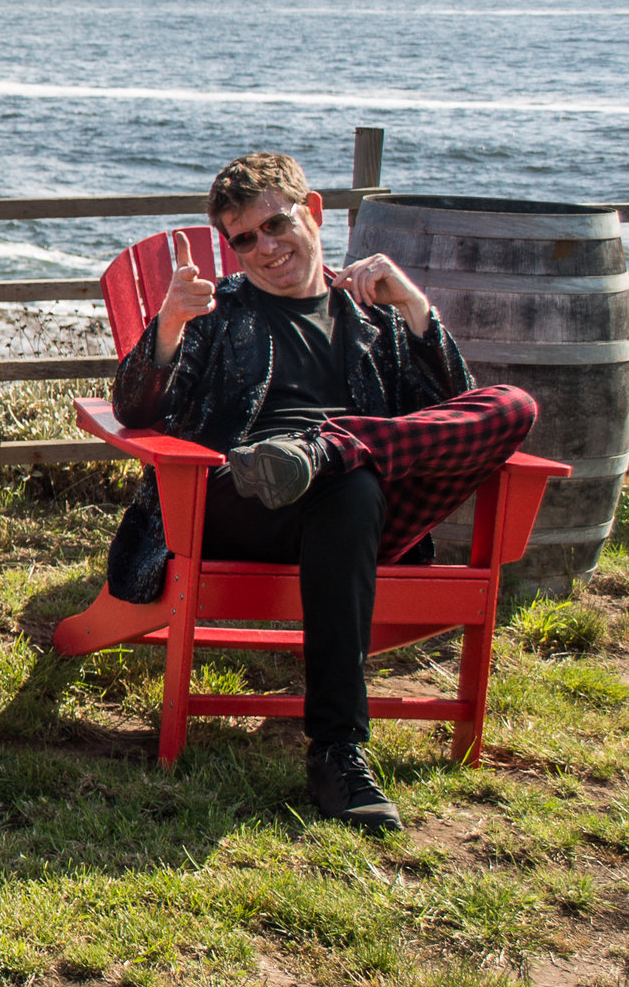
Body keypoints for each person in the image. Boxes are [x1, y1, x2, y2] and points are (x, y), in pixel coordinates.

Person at [106, 151, 537, 834]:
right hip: (241, 499)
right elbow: (134, 410)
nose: (264, 247)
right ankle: (339, 749)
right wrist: (168, 328)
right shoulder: (218, 312)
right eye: (245, 239)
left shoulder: (375, 320)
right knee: (354, 486)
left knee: (513, 405)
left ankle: (328, 449)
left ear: (313, 212)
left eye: (276, 224)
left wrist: (415, 306)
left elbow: (458, 410)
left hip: (361, 512)